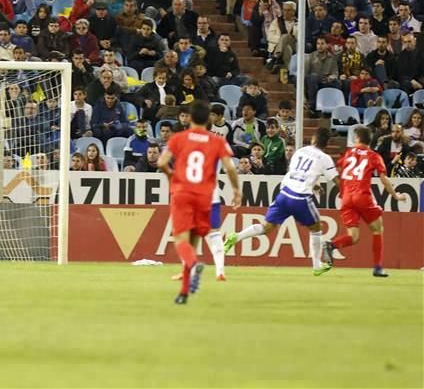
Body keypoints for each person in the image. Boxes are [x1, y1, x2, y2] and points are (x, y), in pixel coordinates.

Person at [223, 128, 341, 276]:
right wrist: (346, 192)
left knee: (267, 227)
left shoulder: (301, 151)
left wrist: (314, 183)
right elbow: (336, 180)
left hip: (284, 194)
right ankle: (317, 265)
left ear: (313, 140)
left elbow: (295, 172)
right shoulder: (325, 158)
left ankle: (236, 237)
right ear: (326, 144)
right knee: (316, 228)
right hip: (300, 197)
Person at [157, 100, 241, 305]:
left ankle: (194, 264)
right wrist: (237, 190)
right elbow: (230, 168)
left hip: (183, 193)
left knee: (181, 242)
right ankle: (184, 292)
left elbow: (161, 162)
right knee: (193, 242)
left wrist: (171, 176)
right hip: (205, 196)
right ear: (208, 119)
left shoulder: (179, 138)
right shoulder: (217, 141)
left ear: (191, 118)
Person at [323, 126, 410, 278]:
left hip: (346, 199)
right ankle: (377, 267)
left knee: (354, 237)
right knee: (377, 229)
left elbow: (338, 169)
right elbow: (384, 179)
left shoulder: (348, 153)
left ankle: (332, 245)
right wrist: (395, 196)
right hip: (362, 196)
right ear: (370, 140)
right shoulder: (373, 156)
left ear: (357, 138)